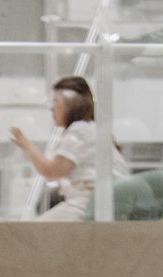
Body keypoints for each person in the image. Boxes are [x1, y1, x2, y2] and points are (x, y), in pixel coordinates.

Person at [12, 75, 126, 222]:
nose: (51, 108)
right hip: (104, 204)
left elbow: (51, 171)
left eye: (55, 101)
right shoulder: (92, 129)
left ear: (71, 104)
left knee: (31, 232)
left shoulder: (80, 130)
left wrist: (27, 145)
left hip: (89, 202)